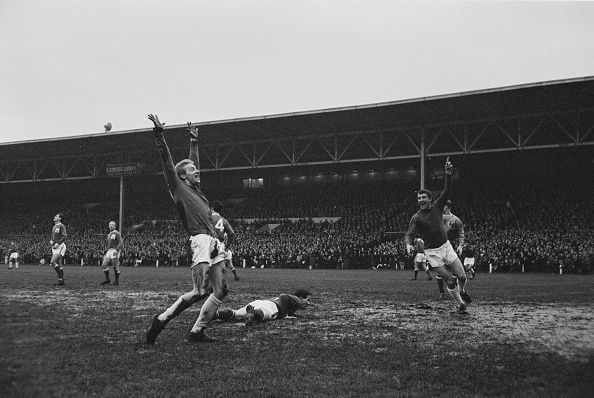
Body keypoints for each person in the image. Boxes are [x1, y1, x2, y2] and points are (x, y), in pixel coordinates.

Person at [145, 115, 225, 344]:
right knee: (200, 291)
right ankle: (161, 320)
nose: (197, 171)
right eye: (192, 170)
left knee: (221, 290)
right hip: (199, 240)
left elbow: (192, 163)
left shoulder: (198, 190)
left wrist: (193, 141)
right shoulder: (178, 187)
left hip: (213, 242)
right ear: (182, 176)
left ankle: (197, 331)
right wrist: (160, 134)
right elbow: (168, 162)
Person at [405, 158, 472, 314]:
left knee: (461, 276)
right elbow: (410, 234)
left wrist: (447, 175)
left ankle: (462, 290)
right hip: (432, 252)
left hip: (446, 247)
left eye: (423, 197)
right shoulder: (416, 217)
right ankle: (461, 305)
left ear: (430, 199)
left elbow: (446, 191)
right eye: (419, 198)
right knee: (449, 279)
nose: (421, 200)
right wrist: (409, 244)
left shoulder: (437, 207)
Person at [215, 290, 312, 325]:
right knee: (263, 314)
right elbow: (283, 296)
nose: (309, 303)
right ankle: (254, 313)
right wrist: (284, 315)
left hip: (261, 302)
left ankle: (215, 315)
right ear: (300, 298)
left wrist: (291, 314)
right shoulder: (297, 300)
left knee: (236, 314)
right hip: (272, 306)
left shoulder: (292, 304)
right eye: (307, 300)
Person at [435, 200, 466, 298]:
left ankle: (459, 291)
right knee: (440, 271)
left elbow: (461, 233)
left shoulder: (455, 220)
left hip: (451, 247)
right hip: (439, 247)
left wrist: (460, 246)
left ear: (446, 207)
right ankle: (442, 293)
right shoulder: (436, 218)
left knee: (456, 272)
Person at [211, 200, 239, 281]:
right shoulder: (224, 220)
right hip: (221, 246)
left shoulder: (208, 219)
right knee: (224, 264)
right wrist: (226, 246)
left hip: (210, 244)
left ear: (211, 208)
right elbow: (232, 234)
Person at [100, 221, 124, 285]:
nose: (110, 226)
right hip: (109, 251)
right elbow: (109, 243)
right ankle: (108, 280)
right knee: (104, 265)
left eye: (112, 225)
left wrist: (117, 249)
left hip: (114, 251)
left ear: (115, 226)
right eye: (109, 224)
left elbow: (121, 241)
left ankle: (116, 281)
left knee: (115, 266)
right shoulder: (109, 234)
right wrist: (105, 250)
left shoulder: (117, 233)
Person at [50, 213, 67, 286]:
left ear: (59, 218)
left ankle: (61, 279)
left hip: (60, 246)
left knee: (53, 262)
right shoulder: (54, 227)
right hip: (54, 247)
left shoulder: (61, 226)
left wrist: (58, 243)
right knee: (59, 263)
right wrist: (51, 241)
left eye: (56, 216)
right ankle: (61, 281)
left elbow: (64, 236)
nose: (54, 216)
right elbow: (53, 237)